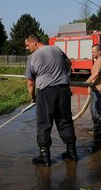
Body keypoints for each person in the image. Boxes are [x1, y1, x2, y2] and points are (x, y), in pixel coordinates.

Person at [24, 33, 77, 166]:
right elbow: (69, 63)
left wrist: (32, 97)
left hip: (46, 91)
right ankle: (72, 153)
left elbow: (30, 82)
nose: (27, 48)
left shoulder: (32, 57)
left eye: (27, 45)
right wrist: (61, 73)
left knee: (44, 123)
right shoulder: (56, 49)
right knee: (65, 120)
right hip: (64, 90)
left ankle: (44, 157)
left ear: (34, 42)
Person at [85, 44, 101, 139]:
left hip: (100, 90)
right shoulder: (96, 61)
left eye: (94, 52)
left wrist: (86, 83)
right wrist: (90, 86)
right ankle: (97, 129)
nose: (92, 53)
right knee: (93, 110)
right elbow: (95, 76)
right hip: (95, 89)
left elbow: (95, 74)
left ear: (100, 52)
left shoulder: (100, 61)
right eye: (92, 51)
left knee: (97, 111)